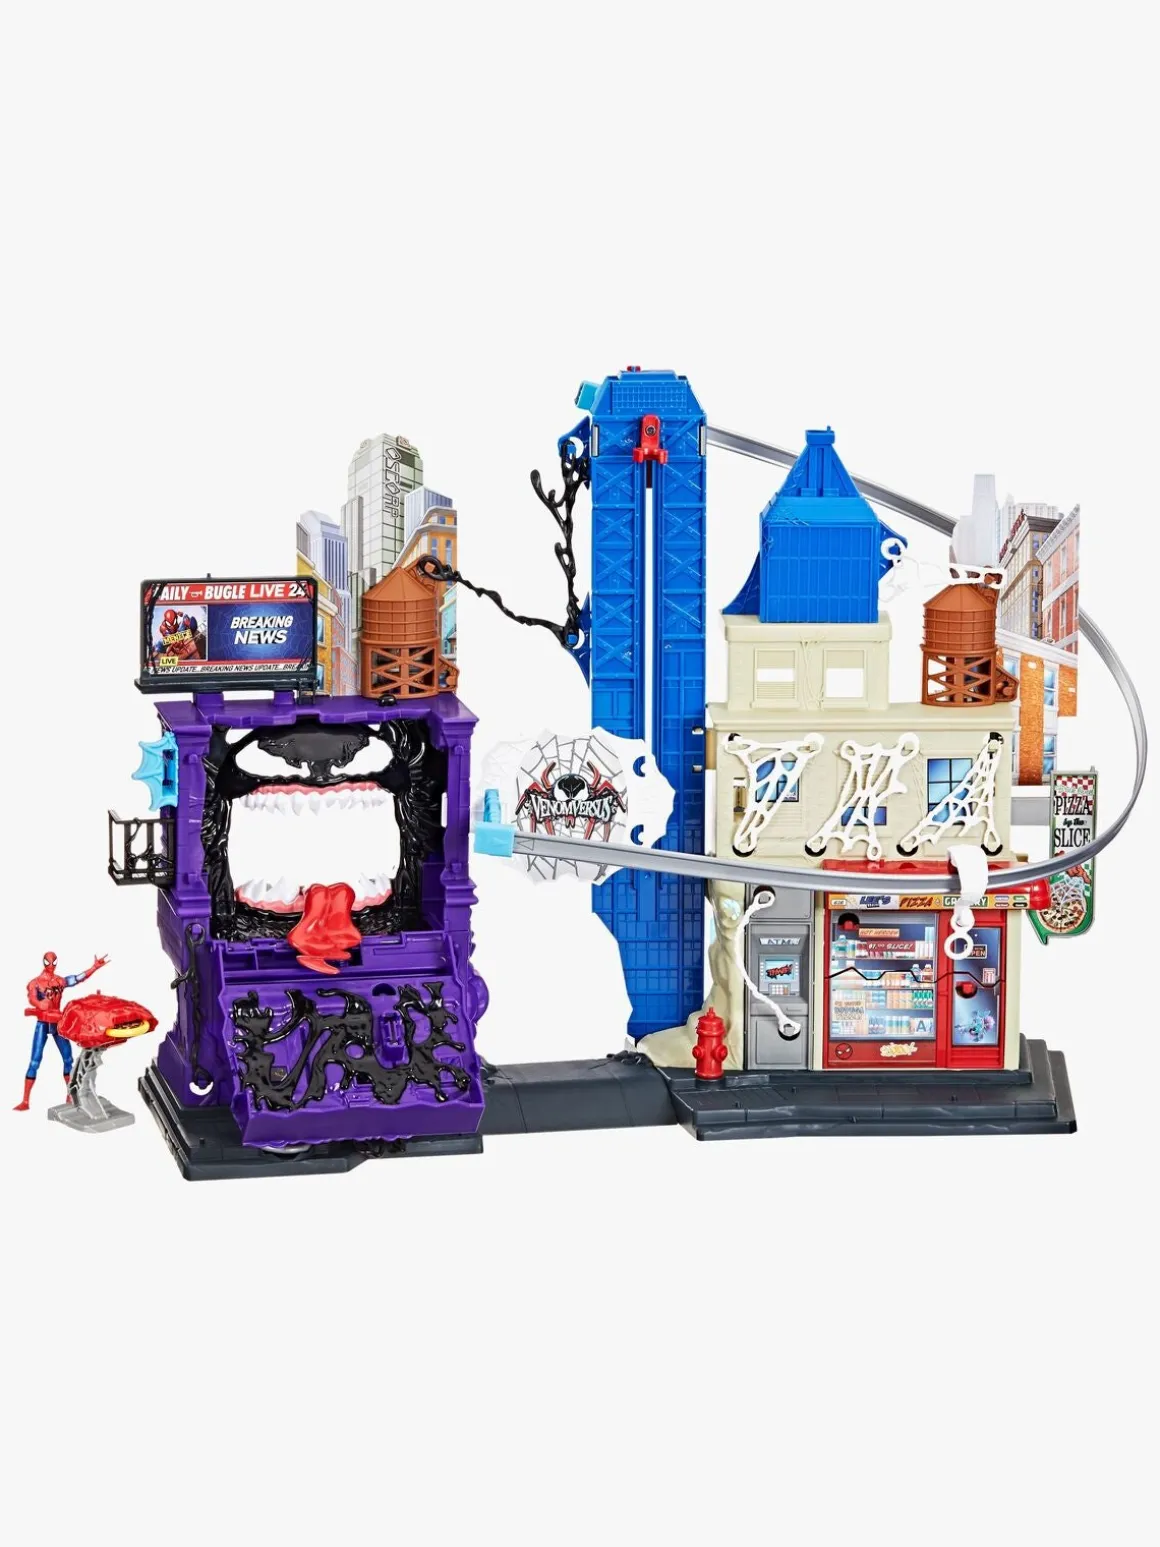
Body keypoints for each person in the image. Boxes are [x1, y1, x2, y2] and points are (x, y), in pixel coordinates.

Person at [16, 951, 108, 1110]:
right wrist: (38, 1003)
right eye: (48, 962)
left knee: (68, 1059)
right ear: (44, 962)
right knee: (35, 1061)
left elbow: (77, 978)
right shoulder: (35, 983)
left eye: (54, 962)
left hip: (58, 1023)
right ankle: (25, 1101)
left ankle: (70, 1095)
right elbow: (32, 997)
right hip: (43, 1023)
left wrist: (94, 968)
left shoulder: (60, 981)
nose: (51, 965)